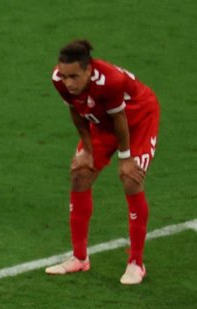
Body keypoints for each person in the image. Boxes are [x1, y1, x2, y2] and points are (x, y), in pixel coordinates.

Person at [45, 39, 160, 285]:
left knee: (130, 179)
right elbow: (76, 111)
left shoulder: (110, 82)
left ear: (89, 70)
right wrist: (86, 150)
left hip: (137, 120)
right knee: (80, 175)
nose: (68, 83)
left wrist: (125, 158)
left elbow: (120, 119)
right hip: (103, 121)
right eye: (64, 77)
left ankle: (136, 264)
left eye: (74, 77)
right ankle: (79, 258)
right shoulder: (59, 79)